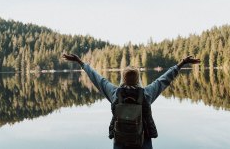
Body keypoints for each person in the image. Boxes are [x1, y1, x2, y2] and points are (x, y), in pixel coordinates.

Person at [62, 53, 200, 149]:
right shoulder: (146, 94)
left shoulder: (115, 94)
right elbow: (165, 79)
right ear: (138, 79)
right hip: (143, 141)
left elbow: (96, 78)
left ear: (123, 78)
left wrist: (80, 62)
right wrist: (182, 63)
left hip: (121, 141)